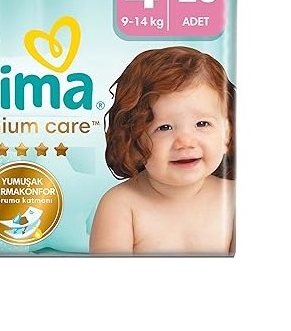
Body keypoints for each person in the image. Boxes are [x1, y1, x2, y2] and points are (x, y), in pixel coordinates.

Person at [90, 46, 236, 255]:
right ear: (132, 140)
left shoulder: (234, 199)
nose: (185, 142)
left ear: (227, 134)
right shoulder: (120, 206)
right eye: (164, 128)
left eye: (202, 124)